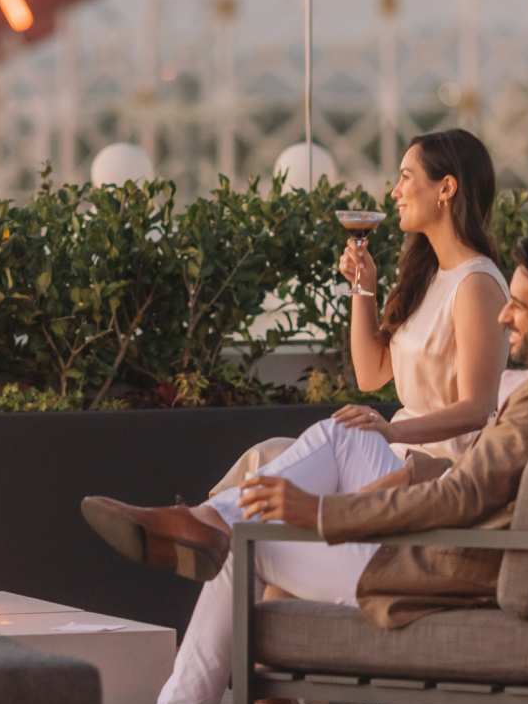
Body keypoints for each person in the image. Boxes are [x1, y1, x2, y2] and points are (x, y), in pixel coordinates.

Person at [80, 235, 528, 704]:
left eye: (520, 305)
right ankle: (203, 524)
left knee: (243, 541)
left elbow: (461, 499)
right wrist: (413, 467)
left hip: (443, 566)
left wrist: (323, 513)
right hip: (478, 547)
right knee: (345, 432)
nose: (504, 315)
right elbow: (486, 482)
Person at [212, 128, 510, 501]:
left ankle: (198, 531)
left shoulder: (476, 285)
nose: (394, 193)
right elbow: (371, 374)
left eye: (405, 177)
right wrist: (362, 286)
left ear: (446, 188)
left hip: (435, 472)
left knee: (336, 434)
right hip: (393, 453)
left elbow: (477, 409)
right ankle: (203, 531)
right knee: (266, 455)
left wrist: (390, 432)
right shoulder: (430, 276)